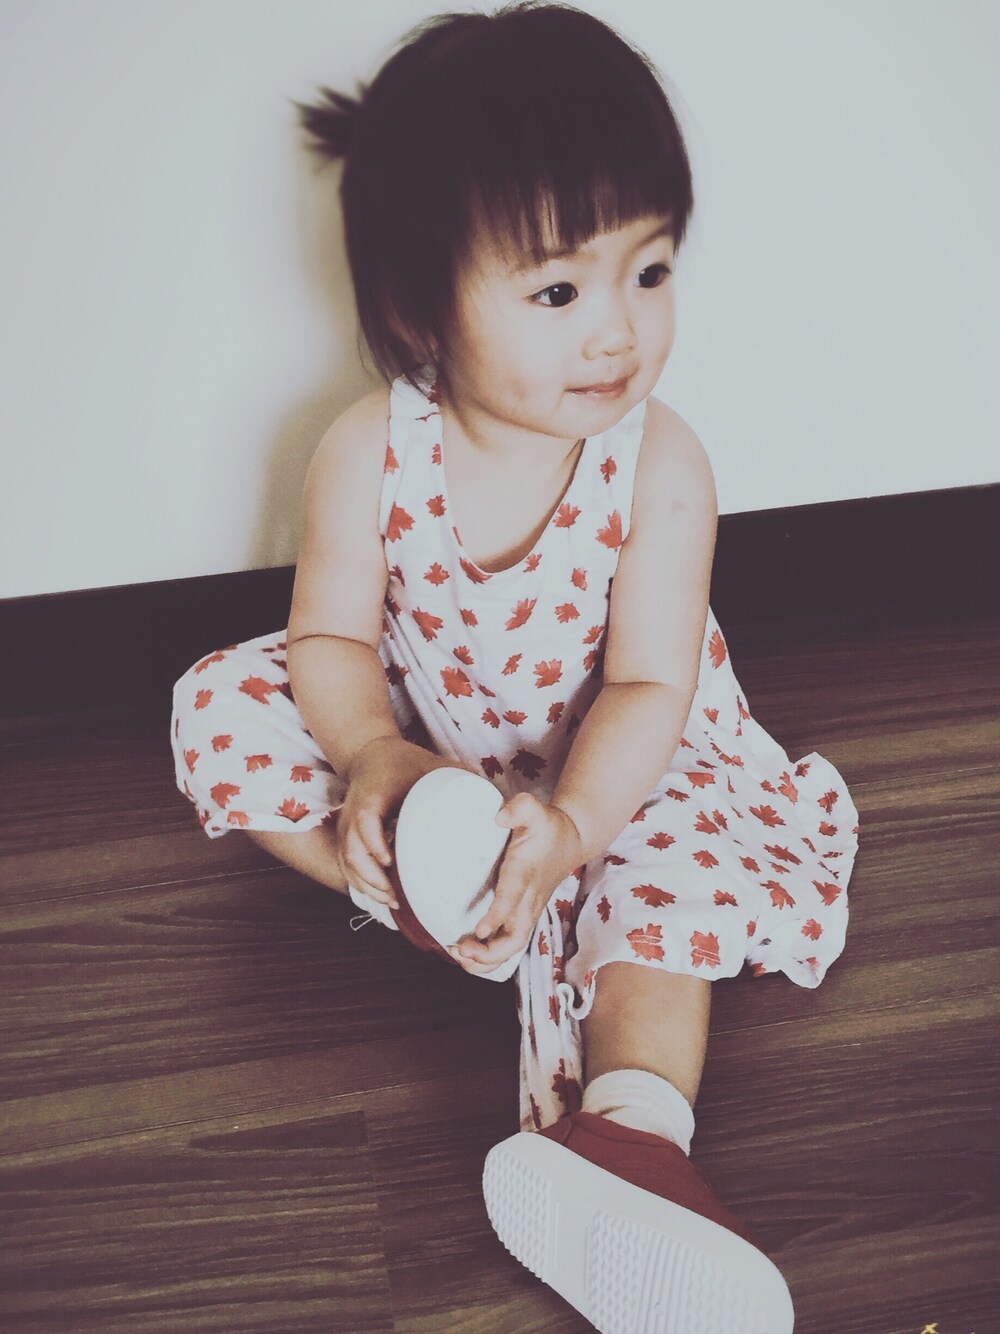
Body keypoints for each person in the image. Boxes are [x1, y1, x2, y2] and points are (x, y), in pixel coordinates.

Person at [170, 3, 858, 1327]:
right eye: (557, 292)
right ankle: (430, 891)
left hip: (622, 766)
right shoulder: (370, 449)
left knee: (677, 868)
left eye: (649, 272)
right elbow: (330, 639)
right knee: (217, 706)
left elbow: (652, 687)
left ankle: (632, 1135)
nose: (617, 332)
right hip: (432, 753)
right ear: (418, 306)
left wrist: (579, 822)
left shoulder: (661, 464)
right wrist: (374, 755)